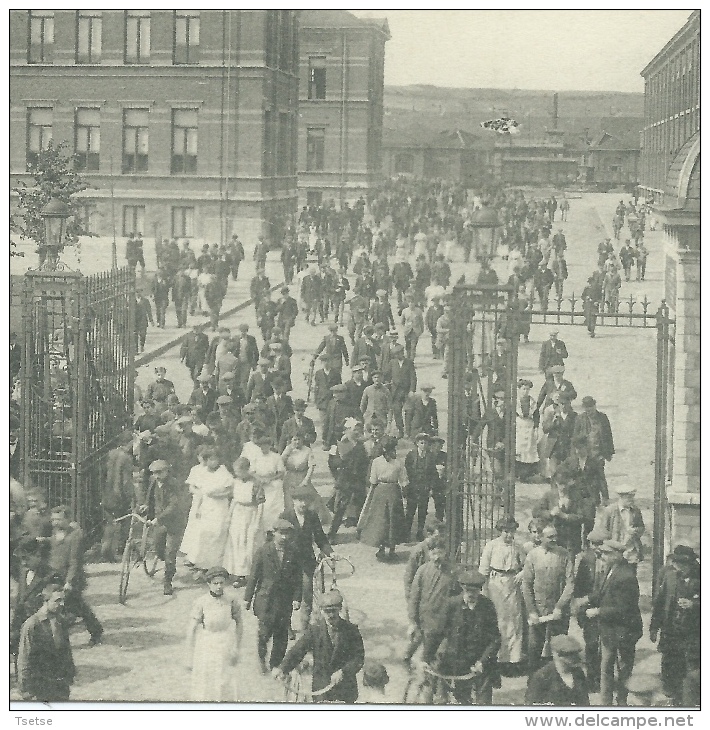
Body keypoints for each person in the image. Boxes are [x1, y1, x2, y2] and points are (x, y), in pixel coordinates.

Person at [275, 589, 365, 703]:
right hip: (322, 690)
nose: (331, 615)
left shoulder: (351, 630)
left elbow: (359, 658)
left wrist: (343, 672)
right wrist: (283, 668)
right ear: (321, 611)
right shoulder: (314, 630)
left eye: (334, 611)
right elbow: (298, 650)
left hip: (345, 689)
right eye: (327, 611)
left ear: (339, 609)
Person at [585, 539, 643, 706]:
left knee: (624, 669)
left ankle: (621, 702)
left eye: (606, 553)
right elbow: (604, 593)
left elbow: (624, 608)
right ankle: (605, 703)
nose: (602, 555)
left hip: (625, 631)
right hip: (609, 629)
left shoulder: (627, 576)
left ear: (617, 555)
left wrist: (598, 611)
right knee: (606, 668)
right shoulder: (612, 569)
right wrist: (587, 599)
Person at [434, 569, 502, 706]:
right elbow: (437, 633)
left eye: (475, 592)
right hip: (459, 663)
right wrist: (426, 657)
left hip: (482, 662)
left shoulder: (487, 606)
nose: (471, 595)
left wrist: (482, 661)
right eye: (468, 591)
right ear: (462, 589)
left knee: (484, 703)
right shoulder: (451, 604)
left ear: (480, 590)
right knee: (462, 700)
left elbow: (495, 639)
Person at [244, 518, 303, 674]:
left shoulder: (294, 552)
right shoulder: (264, 551)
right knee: (264, 633)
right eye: (281, 533)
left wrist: (297, 597)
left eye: (287, 534)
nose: (284, 537)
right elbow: (254, 576)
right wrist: (247, 598)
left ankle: (276, 663)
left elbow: (297, 577)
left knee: (282, 634)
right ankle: (261, 659)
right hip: (266, 600)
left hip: (285, 600)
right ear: (274, 533)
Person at [649, 545, 701, 706]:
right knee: (669, 666)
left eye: (683, 565)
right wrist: (654, 627)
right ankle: (672, 698)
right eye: (677, 565)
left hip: (693, 634)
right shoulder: (670, 577)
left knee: (690, 671)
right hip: (670, 632)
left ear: (691, 564)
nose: (679, 569)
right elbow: (659, 603)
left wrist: (694, 604)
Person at [522, 525, 575, 679]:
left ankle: (557, 680)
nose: (554, 539)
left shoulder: (564, 555)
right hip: (538, 610)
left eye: (555, 536)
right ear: (542, 538)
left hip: (559, 611)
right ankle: (533, 681)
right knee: (534, 647)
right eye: (550, 537)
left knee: (559, 647)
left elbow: (570, 583)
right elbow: (526, 584)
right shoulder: (533, 555)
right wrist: (531, 610)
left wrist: (560, 606)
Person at [48, 505, 104, 646]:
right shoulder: (55, 532)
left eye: (58, 519)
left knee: (75, 607)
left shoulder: (75, 536)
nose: (55, 522)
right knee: (75, 606)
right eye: (53, 519)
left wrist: (69, 581)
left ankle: (95, 631)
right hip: (56, 576)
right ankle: (95, 630)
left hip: (72, 578)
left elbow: (75, 561)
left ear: (67, 519)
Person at [185, 566, 243, 702]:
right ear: (208, 584)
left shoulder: (231, 600)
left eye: (221, 583)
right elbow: (192, 629)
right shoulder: (201, 602)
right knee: (207, 679)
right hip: (207, 643)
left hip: (226, 643)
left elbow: (239, 623)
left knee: (225, 679)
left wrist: (237, 647)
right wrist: (189, 655)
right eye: (215, 583)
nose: (219, 586)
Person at [479, 515, 527, 675]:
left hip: (512, 585)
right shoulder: (491, 546)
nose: (508, 535)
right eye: (505, 531)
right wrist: (484, 590)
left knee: (514, 622)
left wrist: (522, 573)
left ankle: (512, 661)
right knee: (499, 621)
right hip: (495, 584)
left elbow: (528, 565)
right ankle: (496, 659)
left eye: (511, 531)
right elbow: (483, 570)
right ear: (500, 531)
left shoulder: (518, 548)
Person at [17, 583, 75, 701]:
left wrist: (70, 673)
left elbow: (66, 650)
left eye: (63, 600)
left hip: (61, 684)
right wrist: (25, 689)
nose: (62, 604)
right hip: (39, 686)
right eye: (58, 600)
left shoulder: (61, 621)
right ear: (45, 601)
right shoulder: (32, 625)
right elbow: (24, 658)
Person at [140, 459, 190, 595]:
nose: (156, 475)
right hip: (160, 522)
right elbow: (150, 496)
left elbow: (173, 506)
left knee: (170, 553)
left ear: (167, 471)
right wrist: (146, 505)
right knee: (158, 547)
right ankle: (165, 560)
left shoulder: (174, 484)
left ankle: (168, 581)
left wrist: (158, 518)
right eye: (154, 473)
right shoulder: (154, 481)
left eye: (159, 472)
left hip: (174, 522)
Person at [357, 436, 408, 560]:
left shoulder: (381, 462)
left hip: (383, 491)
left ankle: (385, 549)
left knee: (383, 520)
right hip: (390, 491)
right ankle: (389, 550)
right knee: (387, 520)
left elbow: (373, 480)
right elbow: (404, 481)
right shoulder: (396, 462)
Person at [572, 527, 609, 693]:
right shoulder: (585, 559)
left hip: (607, 607)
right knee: (592, 644)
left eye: (599, 544)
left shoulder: (612, 559)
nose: (596, 547)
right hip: (589, 609)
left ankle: (607, 679)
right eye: (593, 544)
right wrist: (580, 611)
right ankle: (593, 679)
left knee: (608, 644)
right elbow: (579, 587)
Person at [187, 448, 232, 575]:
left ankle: (215, 566)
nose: (213, 462)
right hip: (207, 506)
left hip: (220, 507)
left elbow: (230, 491)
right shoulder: (203, 473)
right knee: (205, 534)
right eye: (210, 459)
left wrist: (218, 494)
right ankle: (203, 566)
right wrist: (198, 508)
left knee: (217, 534)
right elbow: (200, 492)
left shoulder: (224, 472)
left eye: (215, 459)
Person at [223, 457, 265, 586]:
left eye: (239, 471)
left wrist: (257, 522)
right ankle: (236, 572)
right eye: (235, 471)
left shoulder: (256, 483)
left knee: (248, 543)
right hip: (237, 514)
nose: (237, 474)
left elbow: (261, 504)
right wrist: (229, 516)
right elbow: (234, 500)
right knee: (235, 542)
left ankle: (248, 574)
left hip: (250, 514)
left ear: (246, 469)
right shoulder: (236, 482)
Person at [327, 417, 369, 539]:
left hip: (358, 480)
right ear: (347, 430)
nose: (357, 432)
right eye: (355, 429)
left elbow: (366, 462)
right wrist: (338, 477)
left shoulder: (362, 445)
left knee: (361, 506)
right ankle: (332, 533)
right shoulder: (339, 444)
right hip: (345, 480)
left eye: (359, 430)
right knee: (340, 508)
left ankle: (360, 532)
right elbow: (331, 463)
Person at [281, 431, 331, 525]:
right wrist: (286, 453)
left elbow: (311, 466)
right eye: (294, 439)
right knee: (288, 501)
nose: (297, 442)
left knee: (308, 501)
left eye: (299, 439)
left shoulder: (307, 450)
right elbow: (280, 464)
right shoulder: (288, 449)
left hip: (302, 477)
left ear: (303, 439)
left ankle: (310, 522)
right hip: (289, 477)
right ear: (291, 440)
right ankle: (291, 521)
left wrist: (306, 480)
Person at [525, 634, 590, 706]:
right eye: (569, 654)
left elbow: (585, 703)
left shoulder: (578, 673)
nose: (575, 657)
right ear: (556, 654)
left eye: (576, 653)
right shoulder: (542, 677)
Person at [573, 396, 614, 505]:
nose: (589, 411)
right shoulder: (580, 419)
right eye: (586, 409)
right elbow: (574, 438)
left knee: (600, 475)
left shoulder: (602, 418)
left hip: (599, 453)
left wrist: (609, 452)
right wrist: (581, 439)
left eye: (590, 408)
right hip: (585, 454)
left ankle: (605, 499)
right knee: (588, 477)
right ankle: (593, 500)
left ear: (595, 406)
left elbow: (608, 435)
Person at [404, 433, 439, 541]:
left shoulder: (431, 456)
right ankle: (406, 533)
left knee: (423, 510)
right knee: (410, 510)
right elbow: (406, 470)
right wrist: (407, 485)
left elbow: (433, 473)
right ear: (417, 443)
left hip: (424, 487)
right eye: (421, 443)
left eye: (425, 443)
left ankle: (419, 532)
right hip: (413, 487)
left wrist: (431, 487)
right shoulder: (411, 455)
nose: (423, 445)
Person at [601, 486, 645, 570]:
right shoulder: (609, 511)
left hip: (631, 552)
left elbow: (641, 527)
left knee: (630, 577)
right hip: (614, 551)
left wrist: (635, 531)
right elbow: (603, 532)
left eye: (632, 497)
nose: (632, 500)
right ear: (621, 497)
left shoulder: (635, 510)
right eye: (629, 498)